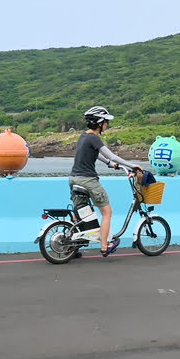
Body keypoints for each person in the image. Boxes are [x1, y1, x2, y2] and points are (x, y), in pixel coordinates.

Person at [69, 106, 142, 256]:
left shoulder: (84, 136)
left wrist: (109, 165)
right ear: (100, 123)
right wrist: (132, 165)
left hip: (73, 178)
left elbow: (96, 154)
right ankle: (104, 246)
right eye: (106, 122)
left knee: (82, 213)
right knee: (107, 212)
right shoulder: (95, 138)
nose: (107, 124)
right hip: (88, 180)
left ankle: (72, 246)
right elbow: (112, 156)